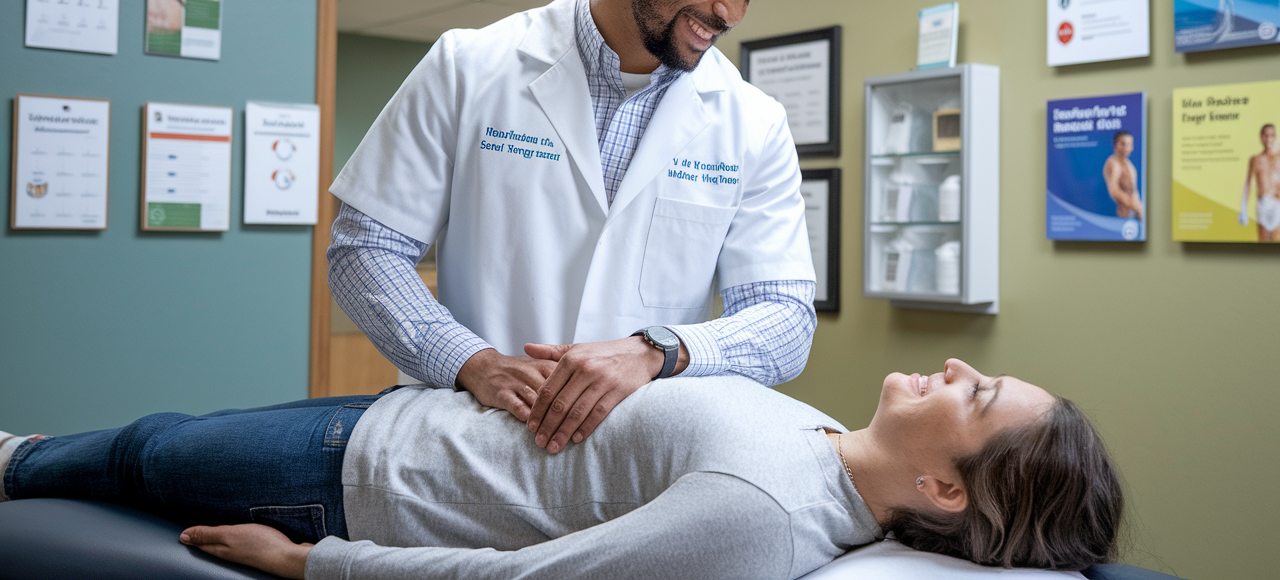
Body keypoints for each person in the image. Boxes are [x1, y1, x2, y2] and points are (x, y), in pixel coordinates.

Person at [329, 0, 816, 457]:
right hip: (467, 441)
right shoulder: (469, 67)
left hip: (638, 455)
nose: (730, 14)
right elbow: (364, 248)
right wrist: (473, 362)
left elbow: (785, 319)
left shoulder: (753, 123)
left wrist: (656, 352)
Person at [0, 360, 1122, 579]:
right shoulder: (822, 438)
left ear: (943, 491)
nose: (956, 365)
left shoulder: (759, 517)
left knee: (142, 452)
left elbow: (537, 577)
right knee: (154, 431)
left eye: (974, 397)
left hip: (354, 486)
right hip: (407, 420)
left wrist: (311, 562)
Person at [1239, 122, 1279, 241]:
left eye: (1272, 135)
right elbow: (1247, 184)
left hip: (1277, 205)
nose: (1269, 139)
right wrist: (1243, 210)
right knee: (1264, 242)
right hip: (1262, 205)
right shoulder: (1255, 159)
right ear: (1261, 137)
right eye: (1266, 135)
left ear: (1275, 137)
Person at [1103, 130, 1143, 221]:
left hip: (1134, 213)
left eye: (1129, 144)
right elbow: (1114, 190)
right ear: (1115, 144)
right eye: (1123, 144)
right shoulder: (1113, 163)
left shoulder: (1129, 165)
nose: (1126, 148)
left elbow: (1134, 191)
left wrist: (1139, 209)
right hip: (1124, 215)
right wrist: (1135, 206)